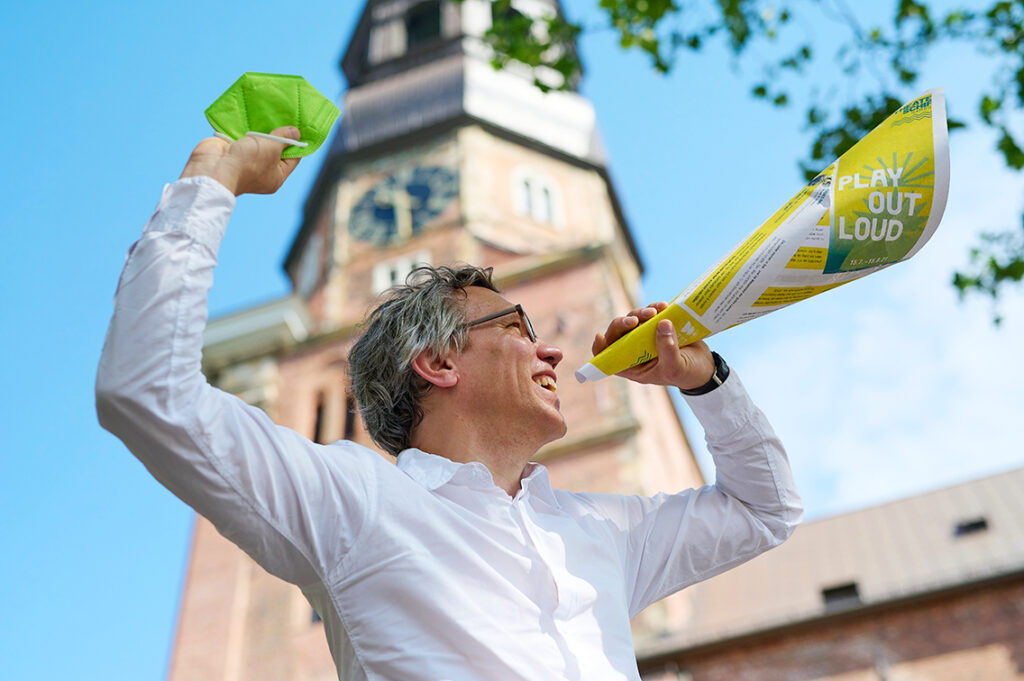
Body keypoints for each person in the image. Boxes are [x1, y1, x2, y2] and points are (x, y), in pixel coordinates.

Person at [96, 128, 802, 681]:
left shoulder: (597, 529)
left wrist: (706, 382)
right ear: (437, 362)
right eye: (519, 328)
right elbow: (146, 389)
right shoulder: (354, 501)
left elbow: (763, 511)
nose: (549, 349)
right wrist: (209, 184)